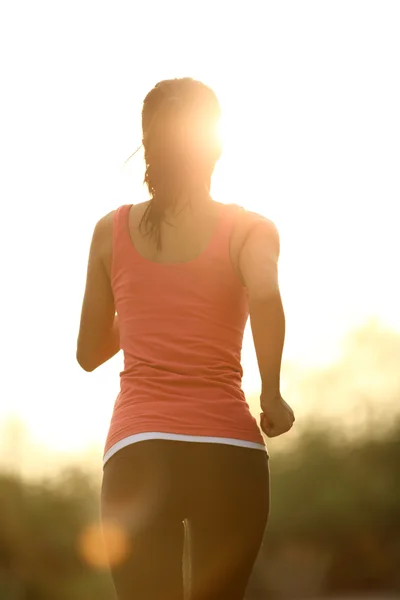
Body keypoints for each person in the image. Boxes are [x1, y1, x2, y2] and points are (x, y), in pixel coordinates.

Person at [77, 77, 295, 600]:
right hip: (228, 450)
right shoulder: (251, 230)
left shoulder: (110, 231)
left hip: (138, 451)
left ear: (149, 146)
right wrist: (272, 393)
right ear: (216, 146)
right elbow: (264, 295)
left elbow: (88, 354)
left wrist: (145, 307)